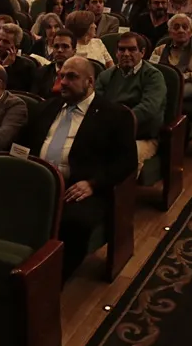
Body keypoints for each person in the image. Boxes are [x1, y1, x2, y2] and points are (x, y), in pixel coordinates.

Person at [25, 56, 136, 273]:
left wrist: (93, 183)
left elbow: (127, 161)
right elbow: (23, 144)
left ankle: (52, 277)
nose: (64, 82)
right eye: (61, 76)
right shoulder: (46, 107)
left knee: (73, 222)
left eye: (72, 77)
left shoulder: (114, 115)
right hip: (39, 181)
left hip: (78, 188)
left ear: (90, 82)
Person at [96, 32, 167, 174]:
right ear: (116, 53)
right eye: (122, 49)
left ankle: (122, 190)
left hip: (142, 136)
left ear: (142, 52)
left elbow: (148, 109)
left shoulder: (153, 76)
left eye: (132, 49)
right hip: (110, 133)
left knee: (123, 159)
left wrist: (119, 123)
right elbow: (96, 104)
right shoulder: (106, 75)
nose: (126, 54)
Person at [150, 14, 192, 100]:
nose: (181, 30)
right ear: (170, 32)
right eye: (176, 27)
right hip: (162, 85)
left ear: (191, 32)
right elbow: (150, 73)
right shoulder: (159, 50)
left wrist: (186, 76)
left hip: (186, 87)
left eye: (185, 27)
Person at [0, 23, 35, 91]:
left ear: (16, 47)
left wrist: (6, 67)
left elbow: (9, 91)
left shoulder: (26, 68)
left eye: (5, 42)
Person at [31, 29, 77, 98]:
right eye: (56, 46)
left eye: (65, 46)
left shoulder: (79, 75)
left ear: (74, 51)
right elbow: (34, 99)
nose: (59, 50)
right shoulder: (42, 72)